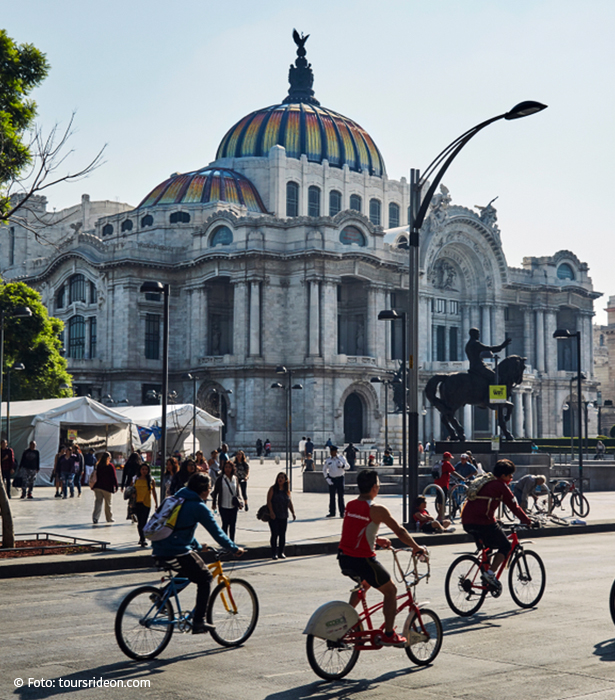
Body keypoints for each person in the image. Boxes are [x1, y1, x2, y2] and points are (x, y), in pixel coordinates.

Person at [338, 469, 426, 647]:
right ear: (374, 488)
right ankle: (389, 634)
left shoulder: (351, 505)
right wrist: (416, 547)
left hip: (344, 557)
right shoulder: (376, 509)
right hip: (363, 560)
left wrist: (377, 540)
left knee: (365, 583)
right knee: (391, 590)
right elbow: (400, 531)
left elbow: (355, 532)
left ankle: (344, 622)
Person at [152, 473, 245, 634]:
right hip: (175, 550)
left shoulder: (177, 498)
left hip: (160, 547)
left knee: (189, 571)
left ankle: (162, 596)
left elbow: (180, 529)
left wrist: (196, 545)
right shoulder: (198, 506)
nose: (210, 491)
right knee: (206, 578)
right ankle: (198, 622)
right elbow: (218, 533)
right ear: (203, 490)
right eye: (209, 488)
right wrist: (234, 548)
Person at [461, 459, 533, 592]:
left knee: (488, 548)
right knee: (505, 546)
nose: (511, 478)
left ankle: (485, 574)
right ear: (504, 476)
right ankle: (489, 575)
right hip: (482, 522)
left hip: (466, 521)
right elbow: (514, 507)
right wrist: (528, 521)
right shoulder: (500, 486)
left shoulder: (486, 480)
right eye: (510, 475)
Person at [267, 471, 296, 559]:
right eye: (279, 477)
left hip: (283, 515)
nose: (280, 479)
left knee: (282, 534)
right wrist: (271, 512)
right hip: (274, 515)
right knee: (275, 534)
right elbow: (269, 501)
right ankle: (274, 553)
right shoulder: (272, 489)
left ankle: (281, 552)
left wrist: (293, 512)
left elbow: (289, 502)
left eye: (282, 478)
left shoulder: (286, 490)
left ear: (285, 480)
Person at [211, 460, 243, 541]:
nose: (227, 469)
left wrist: (240, 502)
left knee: (232, 525)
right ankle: (225, 542)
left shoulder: (235, 478)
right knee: (225, 524)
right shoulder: (220, 479)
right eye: (226, 467)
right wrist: (214, 503)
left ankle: (232, 542)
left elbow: (237, 492)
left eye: (229, 467)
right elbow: (215, 492)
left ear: (232, 468)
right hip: (223, 505)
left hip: (233, 506)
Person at [133, 462, 158, 547]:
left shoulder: (151, 480)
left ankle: (143, 539)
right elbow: (131, 489)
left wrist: (156, 503)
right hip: (137, 503)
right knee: (140, 522)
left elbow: (154, 492)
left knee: (144, 521)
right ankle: (142, 538)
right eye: (143, 469)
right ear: (140, 470)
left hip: (146, 503)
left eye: (146, 469)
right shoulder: (136, 479)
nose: (144, 471)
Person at [91, 451, 118, 524]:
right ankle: (109, 518)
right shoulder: (110, 466)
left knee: (98, 502)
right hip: (107, 487)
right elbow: (113, 477)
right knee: (108, 504)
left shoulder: (98, 465)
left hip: (98, 486)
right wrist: (116, 486)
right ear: (108, 458)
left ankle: (95, 518)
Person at [323, 445, 350, 518]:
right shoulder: (328, 460)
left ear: (336, 451)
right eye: (330, 451)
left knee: (341, 496)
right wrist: (327, 478)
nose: (331, 453)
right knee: (332, 496)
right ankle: (332, 512)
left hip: (340, 478)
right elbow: (324, 470)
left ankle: (342, 512)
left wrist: (342, 466)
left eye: (333, 451)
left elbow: (348, 466)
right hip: (332, 479)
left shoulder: (341, 458)